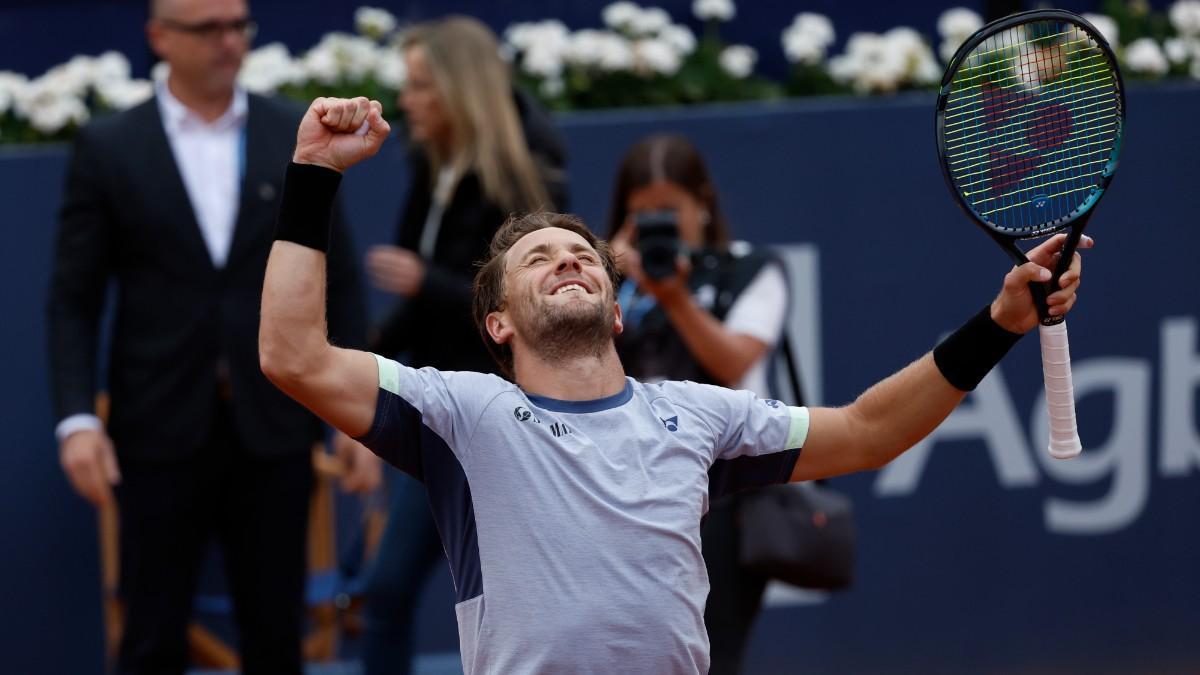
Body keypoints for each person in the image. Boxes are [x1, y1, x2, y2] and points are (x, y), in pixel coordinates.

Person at [259, 96, 1090, 675]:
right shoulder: (461, 413)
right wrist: (314, 172)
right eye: (538, 258)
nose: (568, 261)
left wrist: (999, 323)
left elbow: (871, 430)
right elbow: (292, 355)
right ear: (498, 324)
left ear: (617, 311)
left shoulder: (698, 415)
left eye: (583, 254)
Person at [46, 2, 374, 672]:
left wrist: (358, 413)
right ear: (159, 37)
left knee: (277, 634)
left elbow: (338, 279)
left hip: (276, 421)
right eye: (207, 27)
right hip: (157, 426)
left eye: (237, 25)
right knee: (151, 634)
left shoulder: (293, 130)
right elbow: (74, 298)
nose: (227, 41)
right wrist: (78, 419)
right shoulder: (110, 144)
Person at [358, 16, 568, 674]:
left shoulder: (523, 178)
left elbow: (526, 302)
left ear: (459, 89)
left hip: (501, 416)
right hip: (442, 408)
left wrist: (428, 281)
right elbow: (420, 298)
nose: (407, 100)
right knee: (389, 594)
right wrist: (366, 355)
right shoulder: (432, 166)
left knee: (508, 603)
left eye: (420, 85)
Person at [605, 134, 792, 673]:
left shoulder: (751, 268)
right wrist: (606, 279)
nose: (658, 225)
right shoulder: (608, 282)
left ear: (702, 201)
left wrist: (673, 298)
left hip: (724, 492)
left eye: (669, 211)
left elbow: (734, 362)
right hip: (622, 491)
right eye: (642, 215)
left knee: (713, 656)